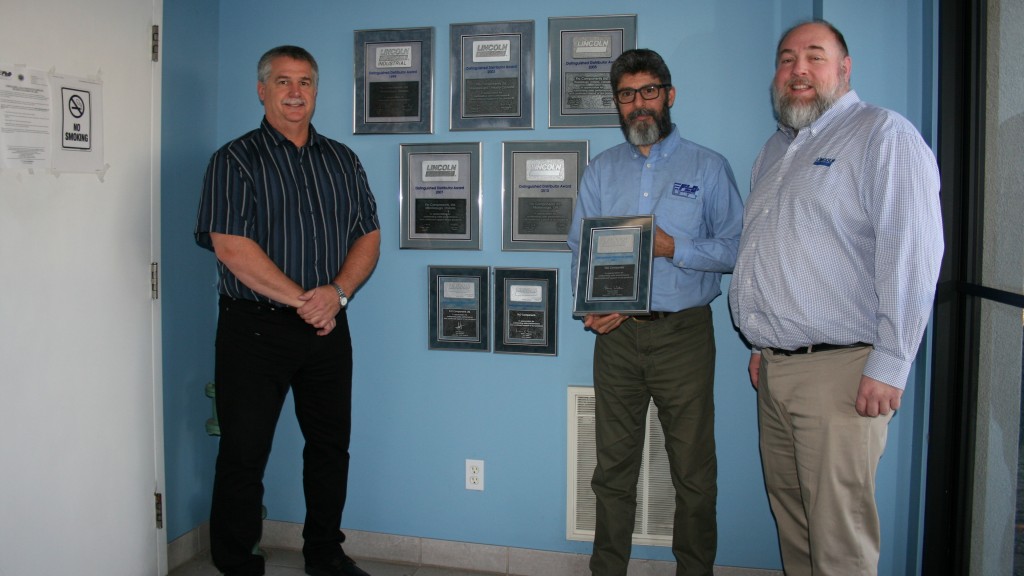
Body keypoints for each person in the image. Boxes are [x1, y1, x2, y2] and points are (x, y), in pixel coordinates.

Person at [728, 20, 943, 576]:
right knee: (795, 526)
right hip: (775, 370)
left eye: (814, 57)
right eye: (786, 58)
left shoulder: (882, 134)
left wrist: (891, 364)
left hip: (843, 375)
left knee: (838, 542)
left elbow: (913, 253)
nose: (798, 69)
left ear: (844, 70)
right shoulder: (775, 150)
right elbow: (773, 249)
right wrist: (763, 339)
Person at [194, 45, 380, 576]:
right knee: (243, 455)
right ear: (262, 89)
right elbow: (231, 247)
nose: (296, 92)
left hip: (328, 329)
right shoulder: (233, 160)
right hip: (253, 331)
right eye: (283, 81)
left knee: (329, 449)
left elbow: (368, 237)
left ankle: (324, 554)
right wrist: (309, 300)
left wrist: (337, 295)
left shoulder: (342, 160)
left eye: (305, 82)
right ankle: (237, 564)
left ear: (316, 91)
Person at [567, 48, 744, 576]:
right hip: (617, 339)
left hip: (683, 336)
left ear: (669, 95)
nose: (639, 104)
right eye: (627, 95)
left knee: (693, 472)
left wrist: (675, 249)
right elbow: (581, 249)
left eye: (648, 92)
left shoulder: (708, 167)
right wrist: (595, 305)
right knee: (612, 471)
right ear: (617, 105)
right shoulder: (601, 171)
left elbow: (736, 249)